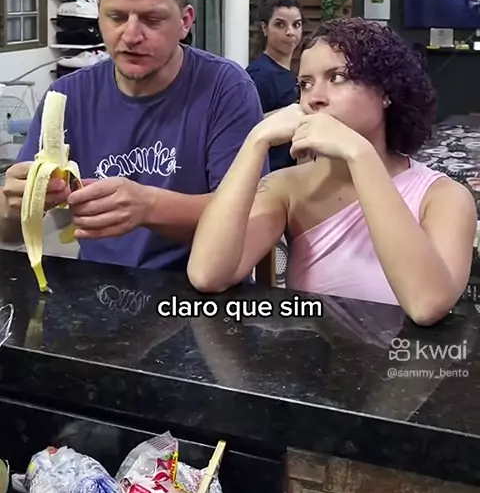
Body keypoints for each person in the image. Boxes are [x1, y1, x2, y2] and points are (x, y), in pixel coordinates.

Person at [1, 0, 267, 271]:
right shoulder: (68, 95)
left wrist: (148, 207)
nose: (130, 35)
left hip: (199, 286)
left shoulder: (225, 89)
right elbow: (10, 233)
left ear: (185, 22)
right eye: (116, 17)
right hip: (97, 286)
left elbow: (251, 216)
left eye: (152, 20)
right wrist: (14, 206)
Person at [187, 18, 477, 325]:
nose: (315, 98)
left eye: (337, 77)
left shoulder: (444, 198)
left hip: (405, 356)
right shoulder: (287, 189)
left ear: (386, 91)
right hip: (312, 354)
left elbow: (426, 304)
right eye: (305, 84)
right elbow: (208, 274)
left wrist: (360, 155)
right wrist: (256, 141)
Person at [247, 0, 302, 171]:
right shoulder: (259, 75)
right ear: (265, 28)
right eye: (280, 24)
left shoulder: (293, 73)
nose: (290, 32)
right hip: (269, 174)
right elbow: (247, 125)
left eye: (296, 25)